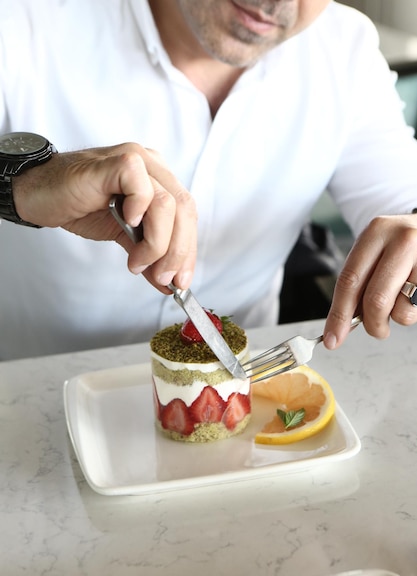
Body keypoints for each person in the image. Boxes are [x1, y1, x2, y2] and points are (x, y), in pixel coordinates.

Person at [2, 0, 417, 360]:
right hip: (31, 399)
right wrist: (21, 187)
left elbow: (403, 194)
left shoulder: (345, 49)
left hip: (238, 412)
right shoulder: (23, 20)